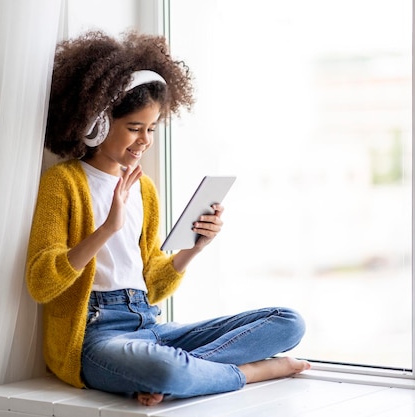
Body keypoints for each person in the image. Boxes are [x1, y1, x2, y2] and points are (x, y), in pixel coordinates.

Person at [25, 30, 310, 407]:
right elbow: (41, 283)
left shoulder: (144, 190)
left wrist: (194, 247)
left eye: (152, 129)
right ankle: (250, 372)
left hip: (150, 326)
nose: (144, 140)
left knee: (288, 322)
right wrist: (108, 227)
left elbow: (152, 285)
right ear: (98, 122)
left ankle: (182, 374)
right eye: (134, 128)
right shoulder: (63, 183)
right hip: (94, 338)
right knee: (165, 370)